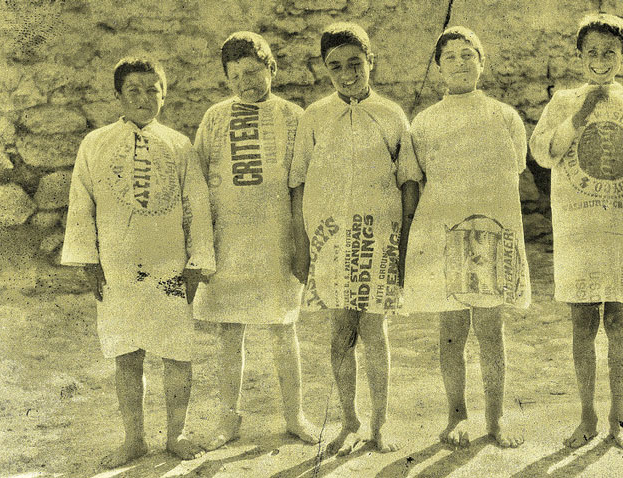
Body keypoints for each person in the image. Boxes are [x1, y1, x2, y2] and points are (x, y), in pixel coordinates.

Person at [62, 56, 214, 466]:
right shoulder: (95, 144)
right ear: (118, 96)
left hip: (170, 269)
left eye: (153, 90)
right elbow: (81, 207)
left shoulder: (179, 145)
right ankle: (134, 438)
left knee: (177, 353)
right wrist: (88, 261)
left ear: (164, 94)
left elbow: (197, 206)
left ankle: (177, 434)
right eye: (134, 90)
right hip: (118, 268)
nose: (145, 98)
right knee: (127, 355)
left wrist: (197, 263)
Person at [529, 13, 623, 449]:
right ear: (580, 55)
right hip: (579, 229)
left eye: (611, 52)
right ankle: (586, 416)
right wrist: (578, 117)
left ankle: (616, 420)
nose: (601, 60)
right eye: (593, 52)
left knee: (620, 325)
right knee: (583, 325)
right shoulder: (565, 99)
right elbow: (543, 151)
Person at [289, 22, 422, 456]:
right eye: (335, 67)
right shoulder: (314, 116)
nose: (347, 75)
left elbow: (408, 184)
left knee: (374, 330)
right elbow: (298, 182)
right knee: (340, 332)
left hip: (379, 239)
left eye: (355, 64)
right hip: (331, 240)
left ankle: (380, 424)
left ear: (370, 63)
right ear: (326, 70)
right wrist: (303, 243)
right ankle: (349, 420)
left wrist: (402, 248)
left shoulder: (390, 115)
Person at [403, 26, 530, 449]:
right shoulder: (424, 122)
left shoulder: (504, 115)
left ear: (481, 61)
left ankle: (496, 418)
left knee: (491, 329)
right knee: (452, 331)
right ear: (438, 67)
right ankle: (457, 415)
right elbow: (418, 182)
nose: (460, 62)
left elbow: (511, 173)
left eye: (467, 54)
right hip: (445, 237)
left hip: (492, 233)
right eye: (450, 56)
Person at [192, 31, 320, 451]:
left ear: (272, 69)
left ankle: (295, 415)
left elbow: (304, 185)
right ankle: (228, 420)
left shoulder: (293, 117)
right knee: (229, 331)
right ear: (227, 81)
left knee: (283, 328)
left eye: (253, 72)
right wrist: (201, 248)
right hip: (227, 242)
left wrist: (302, 247)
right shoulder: (214, 117)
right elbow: (197, 183)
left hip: (276, 239)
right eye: (235, 76)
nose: (246, 82)